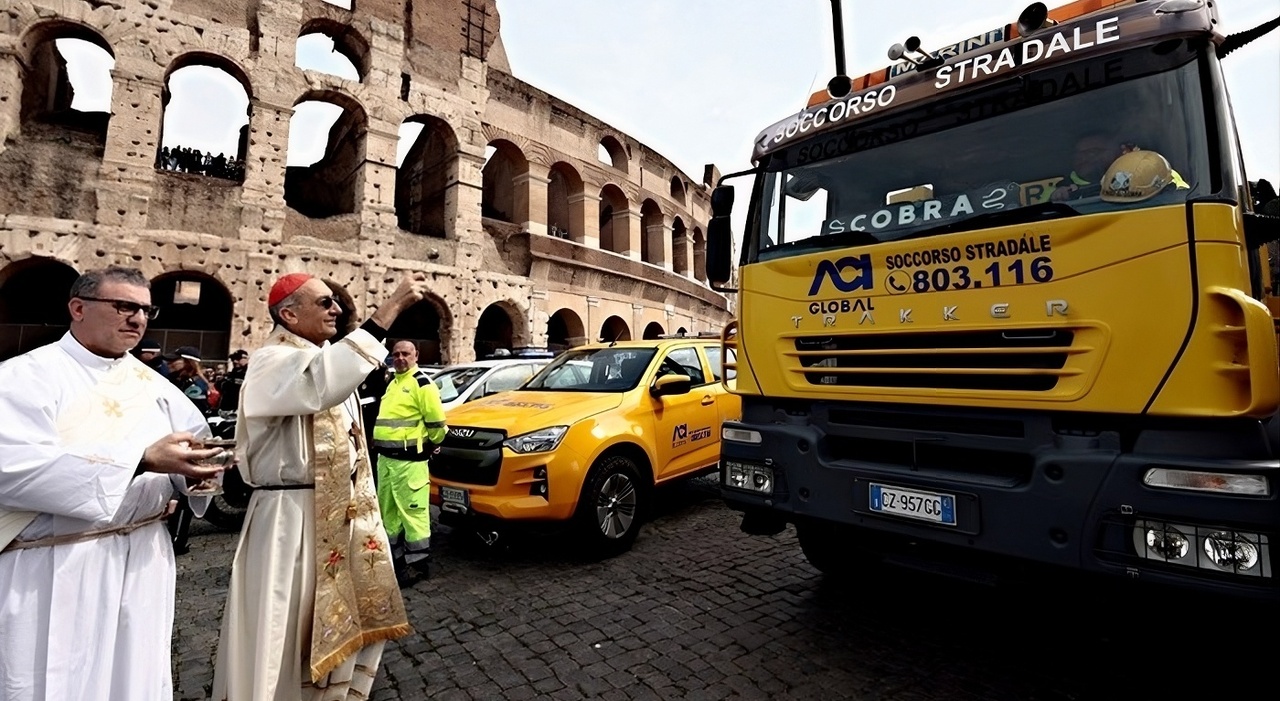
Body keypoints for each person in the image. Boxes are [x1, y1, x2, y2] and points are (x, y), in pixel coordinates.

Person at [0, 265, 224, 701]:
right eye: (123, 306)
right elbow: (12, 468)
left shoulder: (157, 388)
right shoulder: (22, 377)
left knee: (134, 677)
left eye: (145, 309)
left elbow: (189, 455)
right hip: (55, 561)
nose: (137, 319)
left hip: (143, 556)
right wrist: (138, 461)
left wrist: (199, 476)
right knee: (50, 678)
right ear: (78, 308)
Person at [212, 271, 430, 701]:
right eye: (323, 302)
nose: (335, 308)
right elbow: (320, 384)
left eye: (335, 301)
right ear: (289, 314)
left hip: (338, 516)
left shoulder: (323, 356)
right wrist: (389, 309)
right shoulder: (272, 360)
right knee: (286, 624)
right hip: (290, 520)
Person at [372, 340, 447, 585]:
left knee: (414, 515)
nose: (400, 358)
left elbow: (437, 424)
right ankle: (395, 561)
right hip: (386, 462)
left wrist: (431, 443)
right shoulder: (392, 383)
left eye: (406, 353)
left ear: (416, 355)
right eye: (396, 354)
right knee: (389, 514)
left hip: (410, 463)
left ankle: (418, 565)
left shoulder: (422, 384)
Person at [165, 345, 210, 414]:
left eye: (174, 360)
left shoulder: (196, 385)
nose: (168, 363)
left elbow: (195, 411)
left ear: (188, 362)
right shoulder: (173, 379)